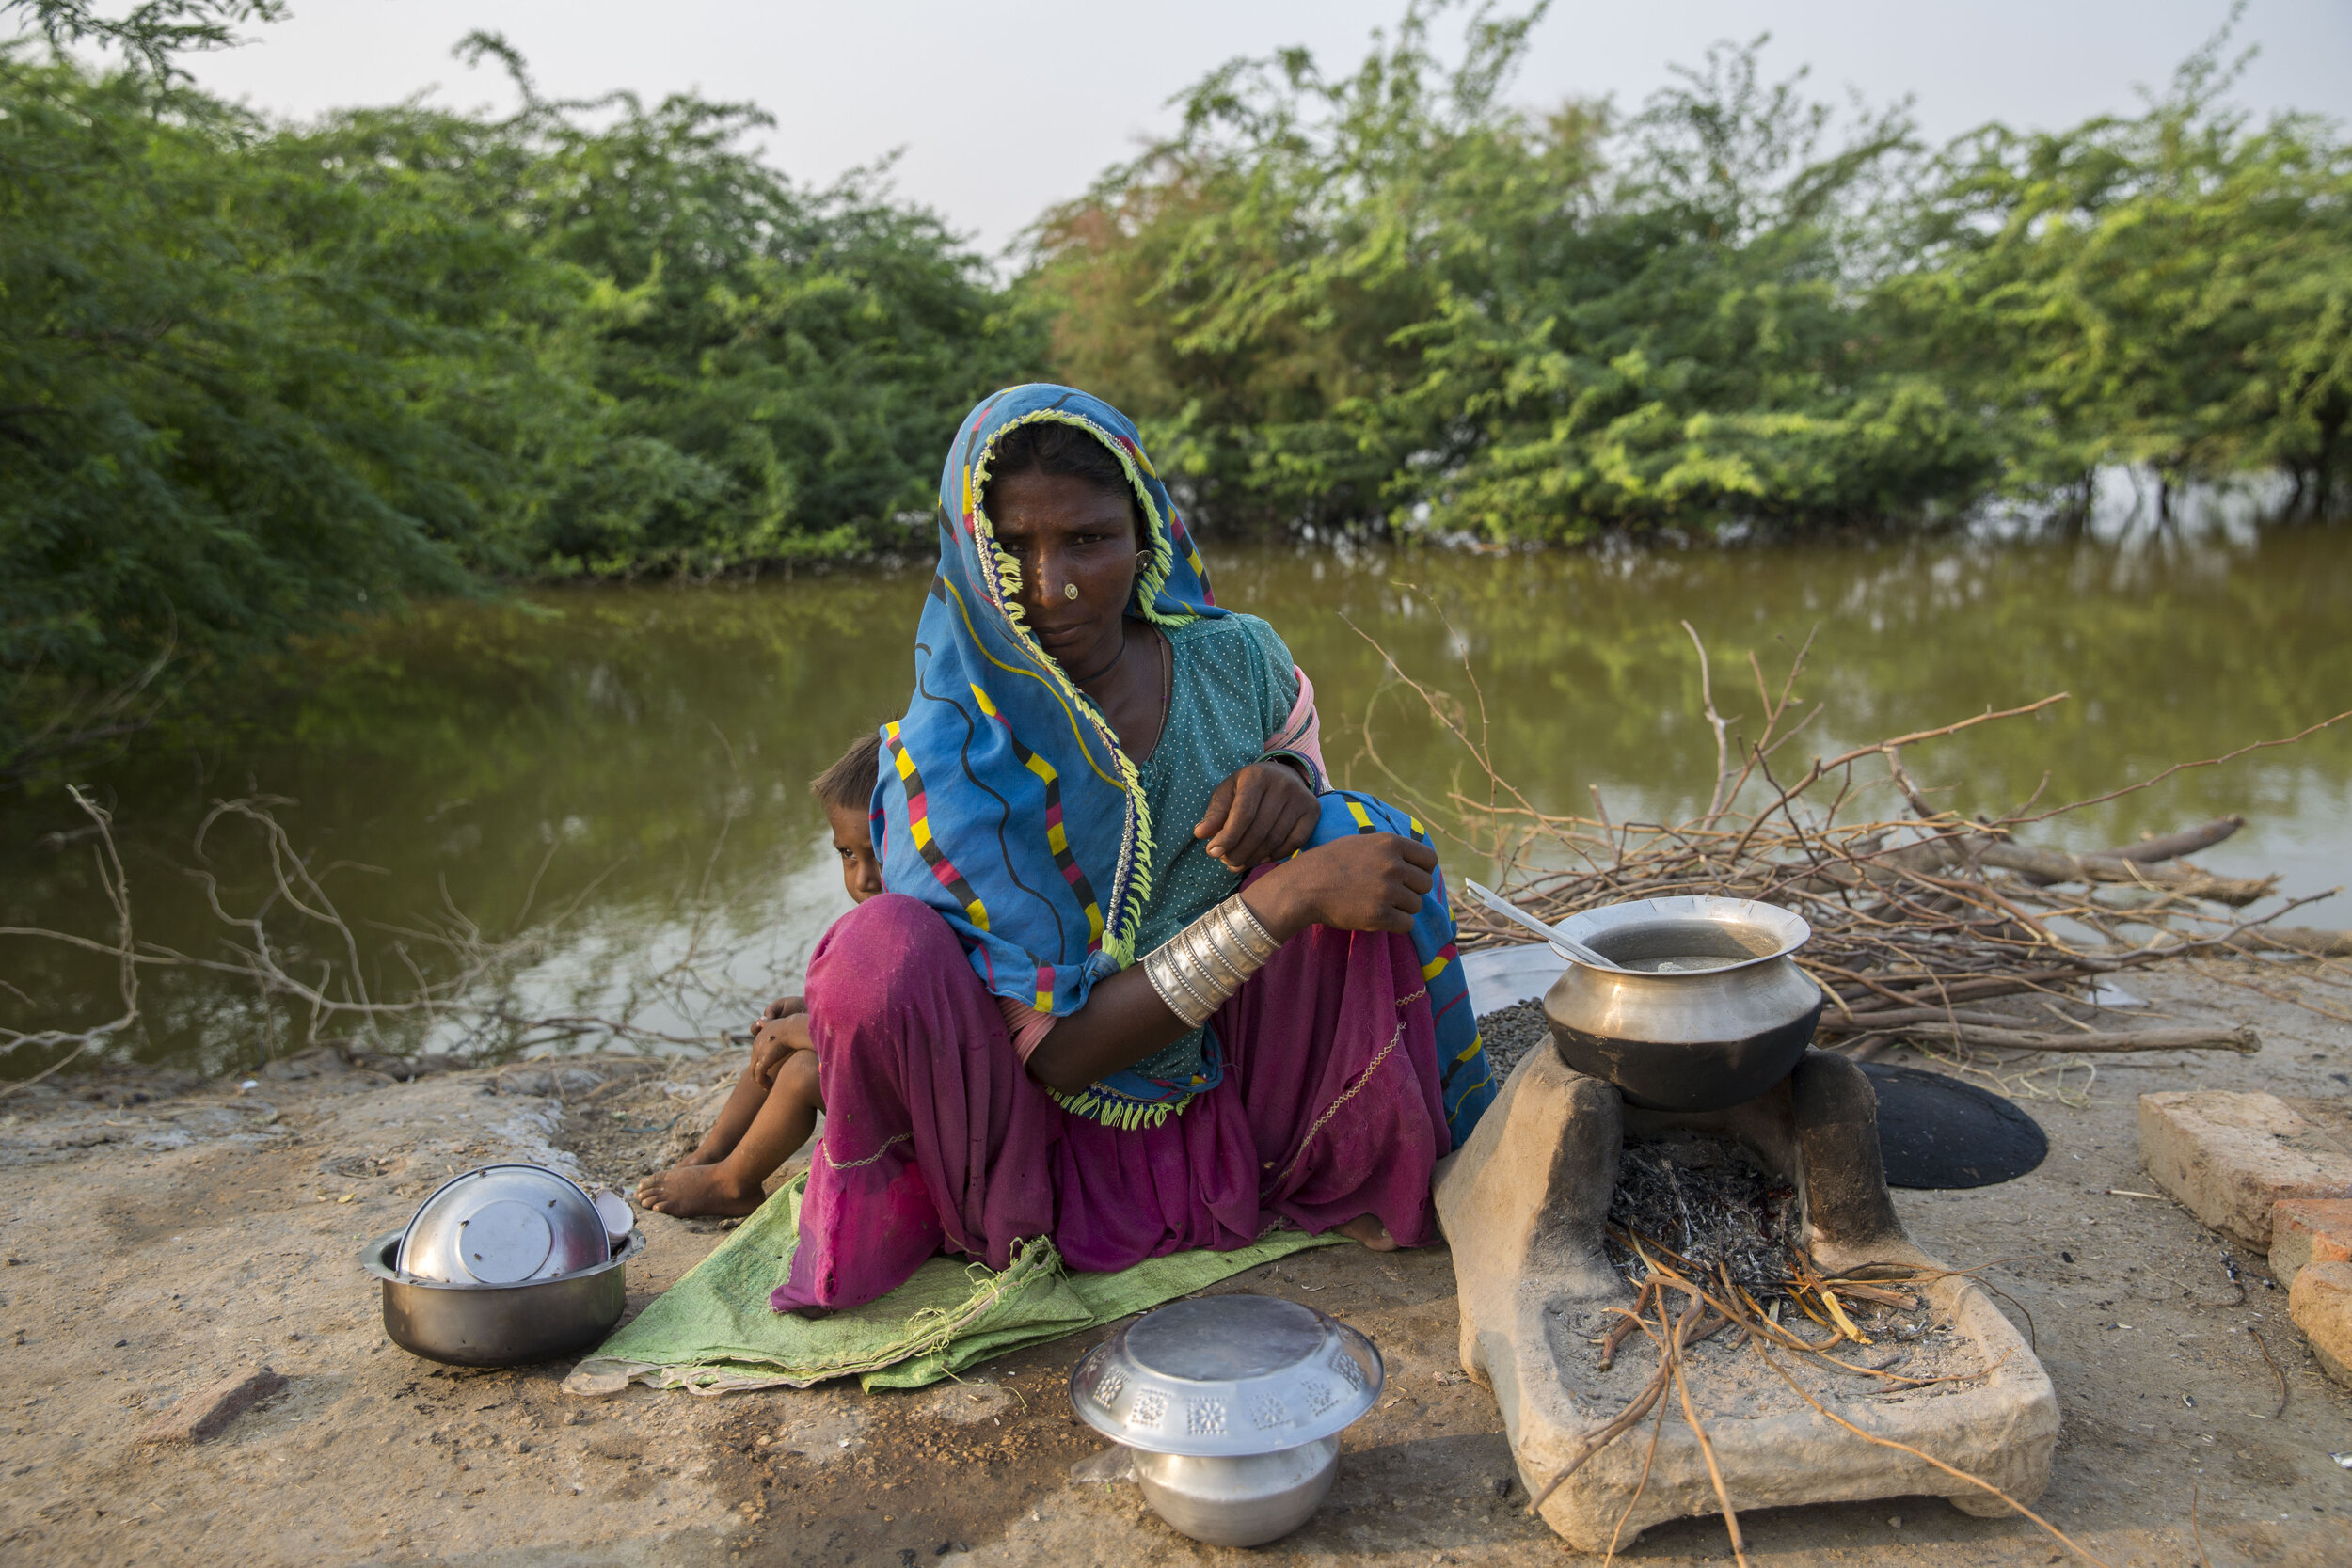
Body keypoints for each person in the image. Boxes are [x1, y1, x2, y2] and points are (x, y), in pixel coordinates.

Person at [773, 384, 1498, 1313]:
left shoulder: (1236, 661)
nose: (1052, 584)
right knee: (875, 952)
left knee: (1355, 831)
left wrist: (1287, 777)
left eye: (1088, 540)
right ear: (965, 552)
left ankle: (1338, 1155)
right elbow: (1062, 1055)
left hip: (1228, 1099)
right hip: (1029, 1155)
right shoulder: (951, 755)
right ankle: (954, 1220)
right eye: (1012, 547)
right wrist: (1279, 901)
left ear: (1147, 533)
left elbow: (1311, 794)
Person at [636, 733, 884, 1218]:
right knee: (775, 1040)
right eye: (848, 855)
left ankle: (733, 1184)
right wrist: (804, 1009)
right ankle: (712, 1154)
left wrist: (799, 1030)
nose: (863, 878)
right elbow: (863, 1007)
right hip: (890, 1087)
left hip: (917, 1120)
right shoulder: (880, 919)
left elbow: (879, 1031)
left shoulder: (918, 923)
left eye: (878, 852)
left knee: (799, 1069)